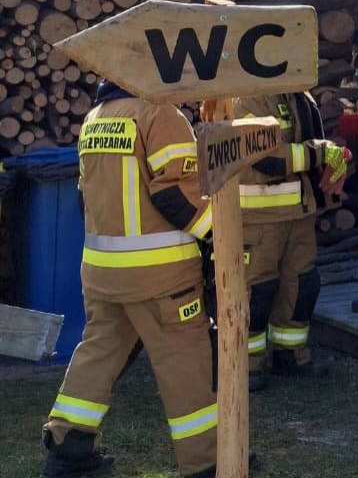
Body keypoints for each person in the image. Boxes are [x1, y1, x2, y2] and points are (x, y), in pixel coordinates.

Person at [43, 81, 217, 478]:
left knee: (99, 352)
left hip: (103, 272)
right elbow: (174, 195)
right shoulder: (160, 115)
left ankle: (68, 452)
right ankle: (208, 463)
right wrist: (220, 234)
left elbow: (85, 195)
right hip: (162, 276)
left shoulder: (95, 119)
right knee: (184, 363)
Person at [233, 92, 349, 391]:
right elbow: (266, 157)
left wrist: (334, 156)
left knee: (301, 285)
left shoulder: (300, 97)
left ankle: (291, 357)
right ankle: (247, 365)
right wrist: (321, 151)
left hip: (299, 213)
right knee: (256, 292)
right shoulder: (248, 98)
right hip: (259, 218)